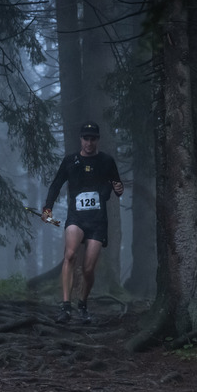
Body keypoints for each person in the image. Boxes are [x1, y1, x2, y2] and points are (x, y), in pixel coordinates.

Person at [41, 121, 124, 323]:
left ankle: (83, 305)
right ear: (81, 139)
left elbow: (117, 186)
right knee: (69, 255)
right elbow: (56, 184)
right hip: (76, 218)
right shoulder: (70, 161)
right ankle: (66, 306)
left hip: (97, 221)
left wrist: (118, 190)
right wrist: (47, 208)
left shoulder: (106, 161)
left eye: (93, 138)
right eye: (86, 138)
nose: (89, 142)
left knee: (88, 269)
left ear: (98, 140)